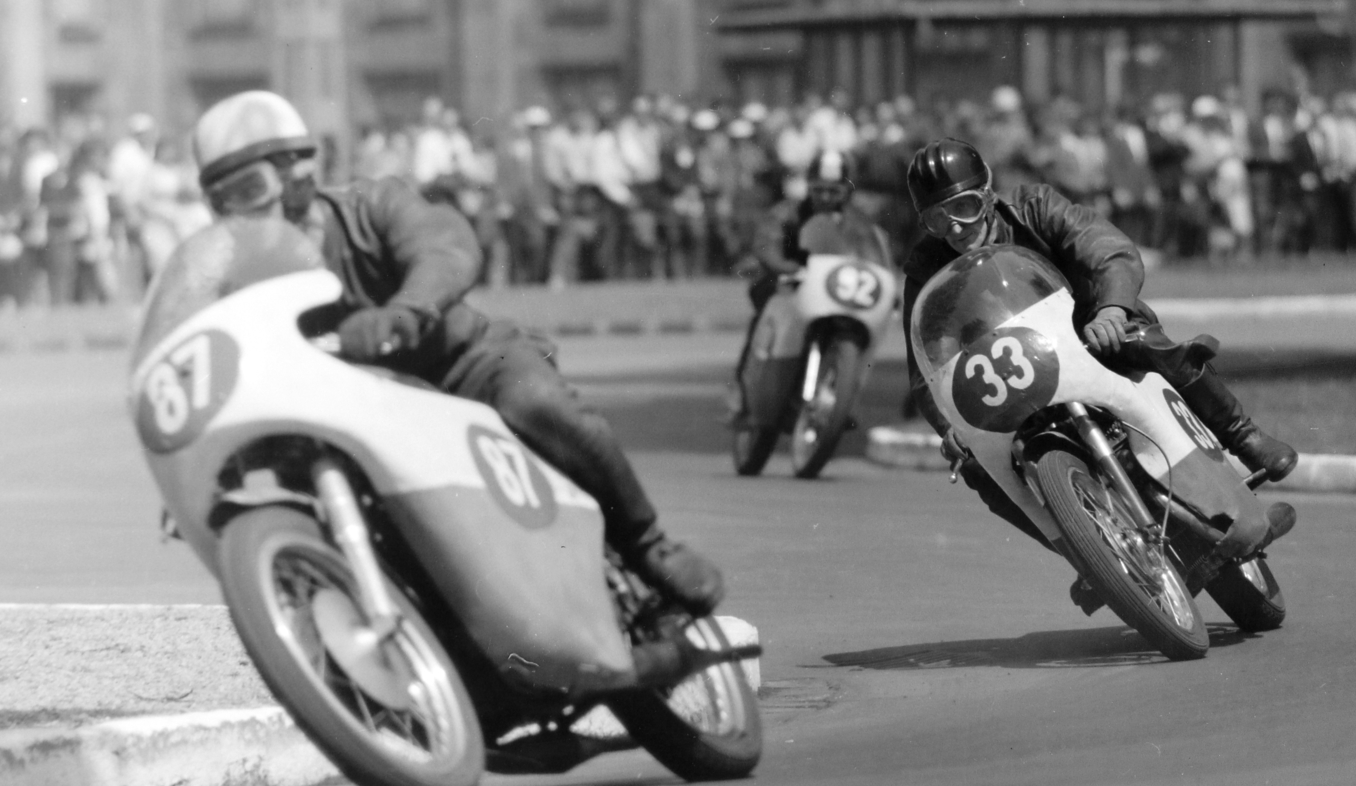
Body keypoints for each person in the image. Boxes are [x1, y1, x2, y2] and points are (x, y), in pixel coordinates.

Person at [190, 89, 724, 616]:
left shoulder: (372, 206)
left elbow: (443, 246)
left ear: (299, 168)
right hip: (364, 418)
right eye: (228, 196)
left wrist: (405, 311)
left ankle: (647, 545)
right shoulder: (238, 280)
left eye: (253, 184)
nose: (246, 208)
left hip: (460, 368)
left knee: (536, 403)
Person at [900, 138, 1298, 550]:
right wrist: (949, 427)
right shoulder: (925, 269)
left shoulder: (1034, 206)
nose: (955, 228)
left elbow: (1110, 250)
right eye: (936, 218)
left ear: (987, 195)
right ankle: (1075, 550)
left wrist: (1112, 310)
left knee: (1146, 341)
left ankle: (1243, 436)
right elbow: (926, 364)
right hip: (1014, 375)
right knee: (975, 465)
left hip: (1092, 329)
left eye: (963, 208)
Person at [728, 148, 891, 422]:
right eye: (819, 190)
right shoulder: (788, 211)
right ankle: (743, 388)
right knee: (766, 305)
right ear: (809, 187)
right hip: (788, 284)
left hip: (836, 290)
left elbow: (876, 254)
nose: (826, 197)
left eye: (834, 191)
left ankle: (842, 397)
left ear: (846, 191)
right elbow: (767, 241)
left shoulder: (859, 222)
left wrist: (886, 285)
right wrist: (782, 266)